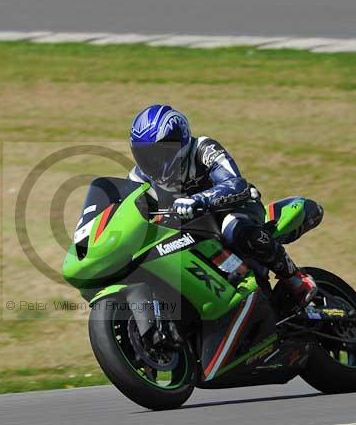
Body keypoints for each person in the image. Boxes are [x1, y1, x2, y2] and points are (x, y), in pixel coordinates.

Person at [128, 104, 320, 307]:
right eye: (144, 155)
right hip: (187, 231)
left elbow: (236, 184)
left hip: (236, 207)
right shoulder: (138, 178)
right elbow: (127, 211)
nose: (151, 161)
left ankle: (296, 278)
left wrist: (199, 199)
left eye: (157, 153)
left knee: (234, 228)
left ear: (179, 142)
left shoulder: (203, 149)